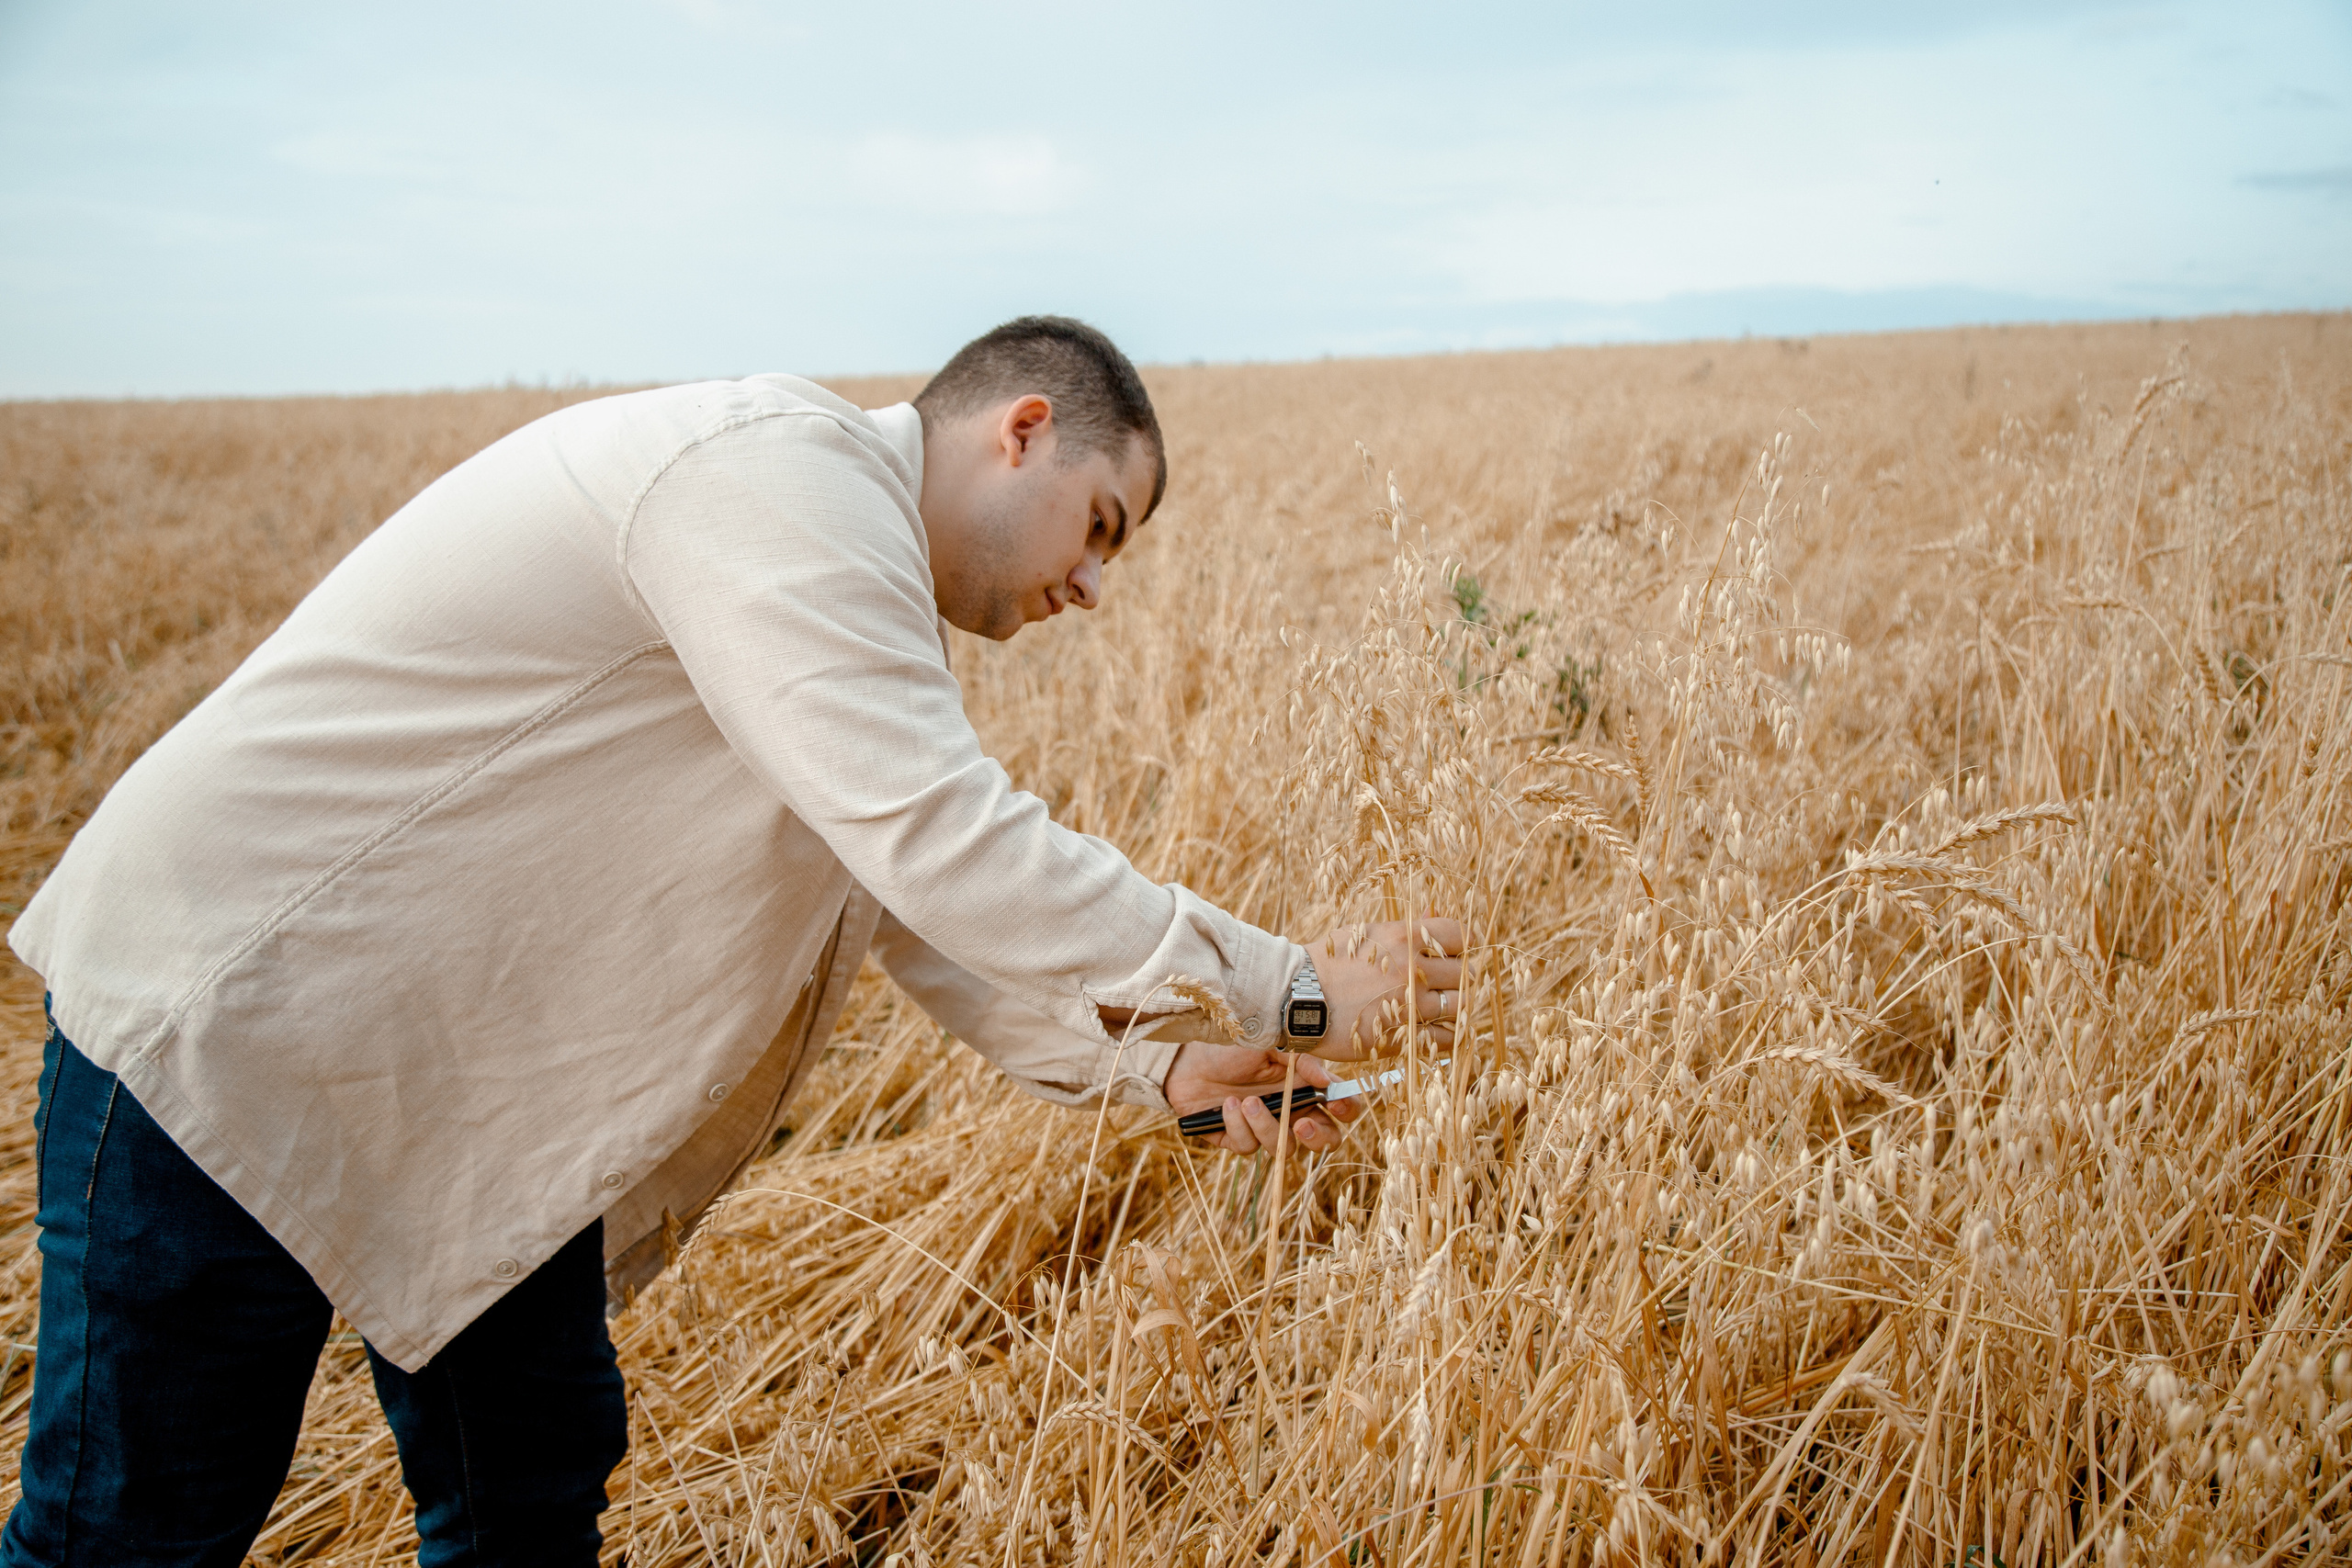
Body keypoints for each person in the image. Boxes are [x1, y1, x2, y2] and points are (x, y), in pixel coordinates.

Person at [1, 316, 1464, 1567]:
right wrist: (1300, 991)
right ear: (1022, 429)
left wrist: (1166, 1073)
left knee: (533, 1488)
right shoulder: (785, 477)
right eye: (1102, 526)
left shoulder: (842, 579)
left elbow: (892, 906)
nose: (1093, 587)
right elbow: (938, 840)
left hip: (452, 1091)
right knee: (139, 1532)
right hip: (237, 1016)